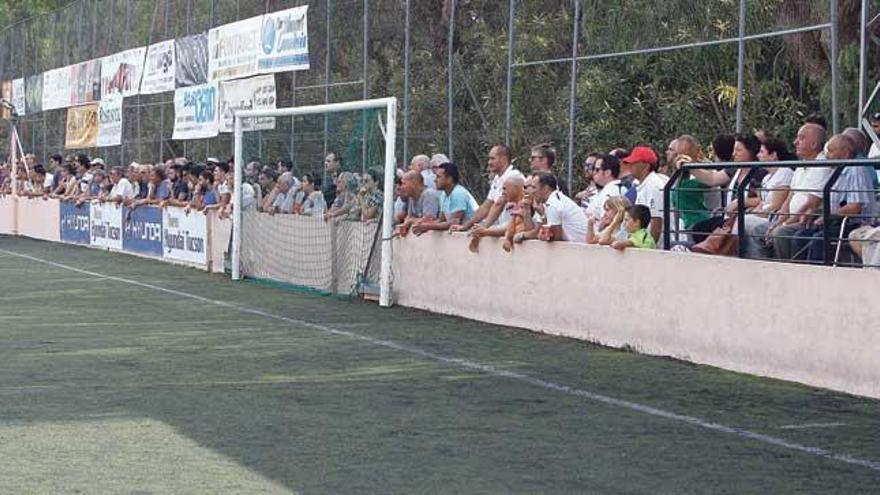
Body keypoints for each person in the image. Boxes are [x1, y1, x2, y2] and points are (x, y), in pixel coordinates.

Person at [789, 134, 876, 262]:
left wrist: (827, 215)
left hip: (853, 223)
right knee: (800, 236)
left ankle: (817, 274)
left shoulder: (856, 170)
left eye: (830, 151)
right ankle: (799, 271)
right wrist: (816, 213)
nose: (826, 155)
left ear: (845, 154)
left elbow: (854, 207)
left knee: (818, 239)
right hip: (835, 221)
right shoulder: (835, 170)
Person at [766, 123, 831, 259]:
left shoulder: (823, 165)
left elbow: (810, 205)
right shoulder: (802, 164)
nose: (795, 142)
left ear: (813, 144)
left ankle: (788, 271)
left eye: (801, 138)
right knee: (759, 229)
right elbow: (789, 199)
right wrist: (777, 222)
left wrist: (784, 224)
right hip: (792, 219)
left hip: (809, 219)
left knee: (781, 233)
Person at [452, 144, 523, 232]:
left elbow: (498, 205)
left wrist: (484, 228)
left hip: (515, 228)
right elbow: (486, 206)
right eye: (489, 159)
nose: (489, 162)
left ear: (504, 159)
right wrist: (465, 227)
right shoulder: (497, 179)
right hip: (503, 228)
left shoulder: (513, 176)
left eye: (493, 158)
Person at [412, 163, 478, 234]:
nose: (435, 180)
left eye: (438, 177)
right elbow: (441, 220)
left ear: (449, 179)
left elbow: (454, 222)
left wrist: (428, 226)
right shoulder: (443, 194)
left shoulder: (458, 193)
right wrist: (423, 225)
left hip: (474, 233)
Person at [526, 172, 587, 242]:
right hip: (577, 247)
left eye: (534, 187)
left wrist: (522, 235)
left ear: (545, 188)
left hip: (582, 248)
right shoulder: (552, 201)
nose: (532, 191)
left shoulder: (553, 204)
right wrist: (542, 215)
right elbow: (542, 232)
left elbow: (554, 238)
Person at [628, 146, 668, 243]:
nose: (630, 165)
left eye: (634, 162)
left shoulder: (654, 185)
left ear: (646, 165)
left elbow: (657, 220)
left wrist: (650, 248)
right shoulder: (646, 184)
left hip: (658, 248)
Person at [398, 170, 441, 235]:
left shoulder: (429, 195)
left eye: (404, 183)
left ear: (414, 182)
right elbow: (409, 218)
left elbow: (429, 221)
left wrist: (410, 221)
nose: (402, 187)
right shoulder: (411, 197)